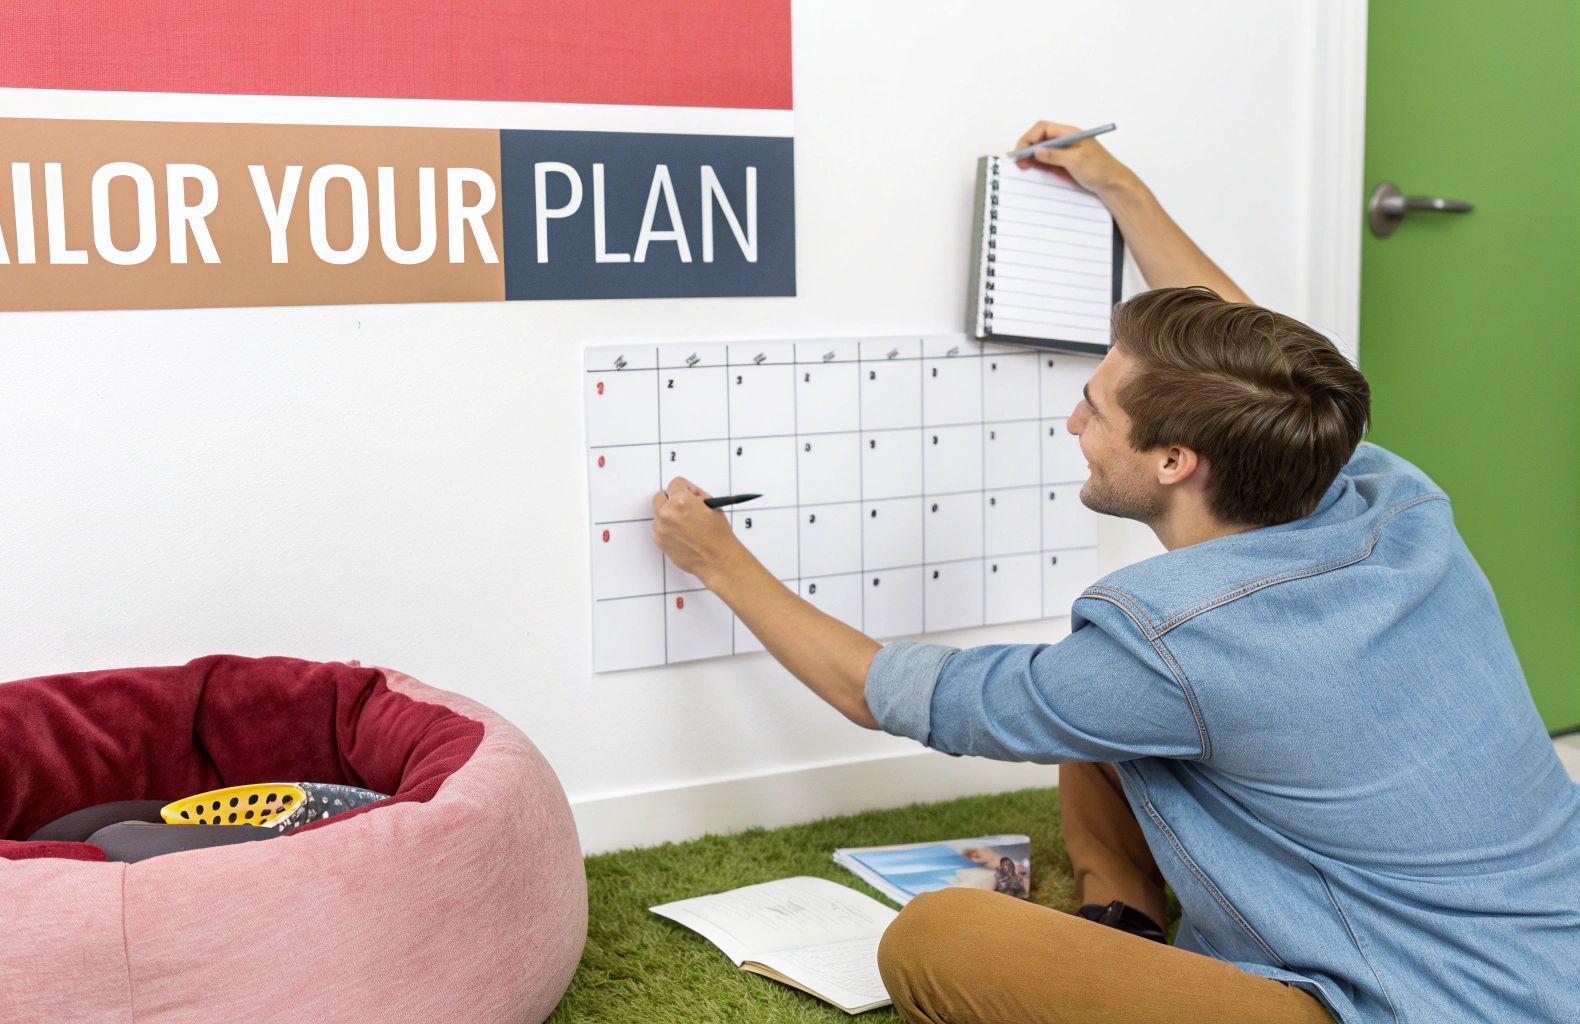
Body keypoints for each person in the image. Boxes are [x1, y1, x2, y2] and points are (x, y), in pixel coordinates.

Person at [649, 121, 1580, 1024]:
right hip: (1552, 946)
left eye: (1095, 409)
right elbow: (1259, 353)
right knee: (1088, 701)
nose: (1073, 425)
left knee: (938, 939)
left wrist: (720, 562)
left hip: (1419, 1000)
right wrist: (1117, 186)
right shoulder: (1385, 492)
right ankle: (1122, 916)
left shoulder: (1175, 645)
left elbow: (880, 691)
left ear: (1176, 461)